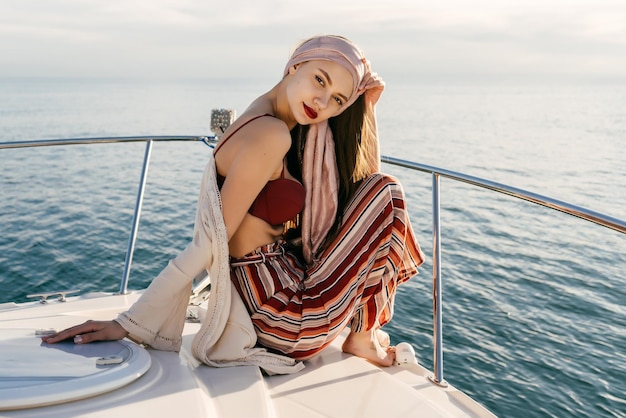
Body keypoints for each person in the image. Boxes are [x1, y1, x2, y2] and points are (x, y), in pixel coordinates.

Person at [42, 35, 424, 367]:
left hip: (271, 301)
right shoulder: (273, 135)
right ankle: (362, 335)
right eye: (319, 80)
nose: (322, 102)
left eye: (337, 99)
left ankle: (360, 335)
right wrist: (129, 323)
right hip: (285, 316)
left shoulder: (261, 117)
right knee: (385, 193)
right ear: (296, 65)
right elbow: (211, 241)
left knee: (372, 196)